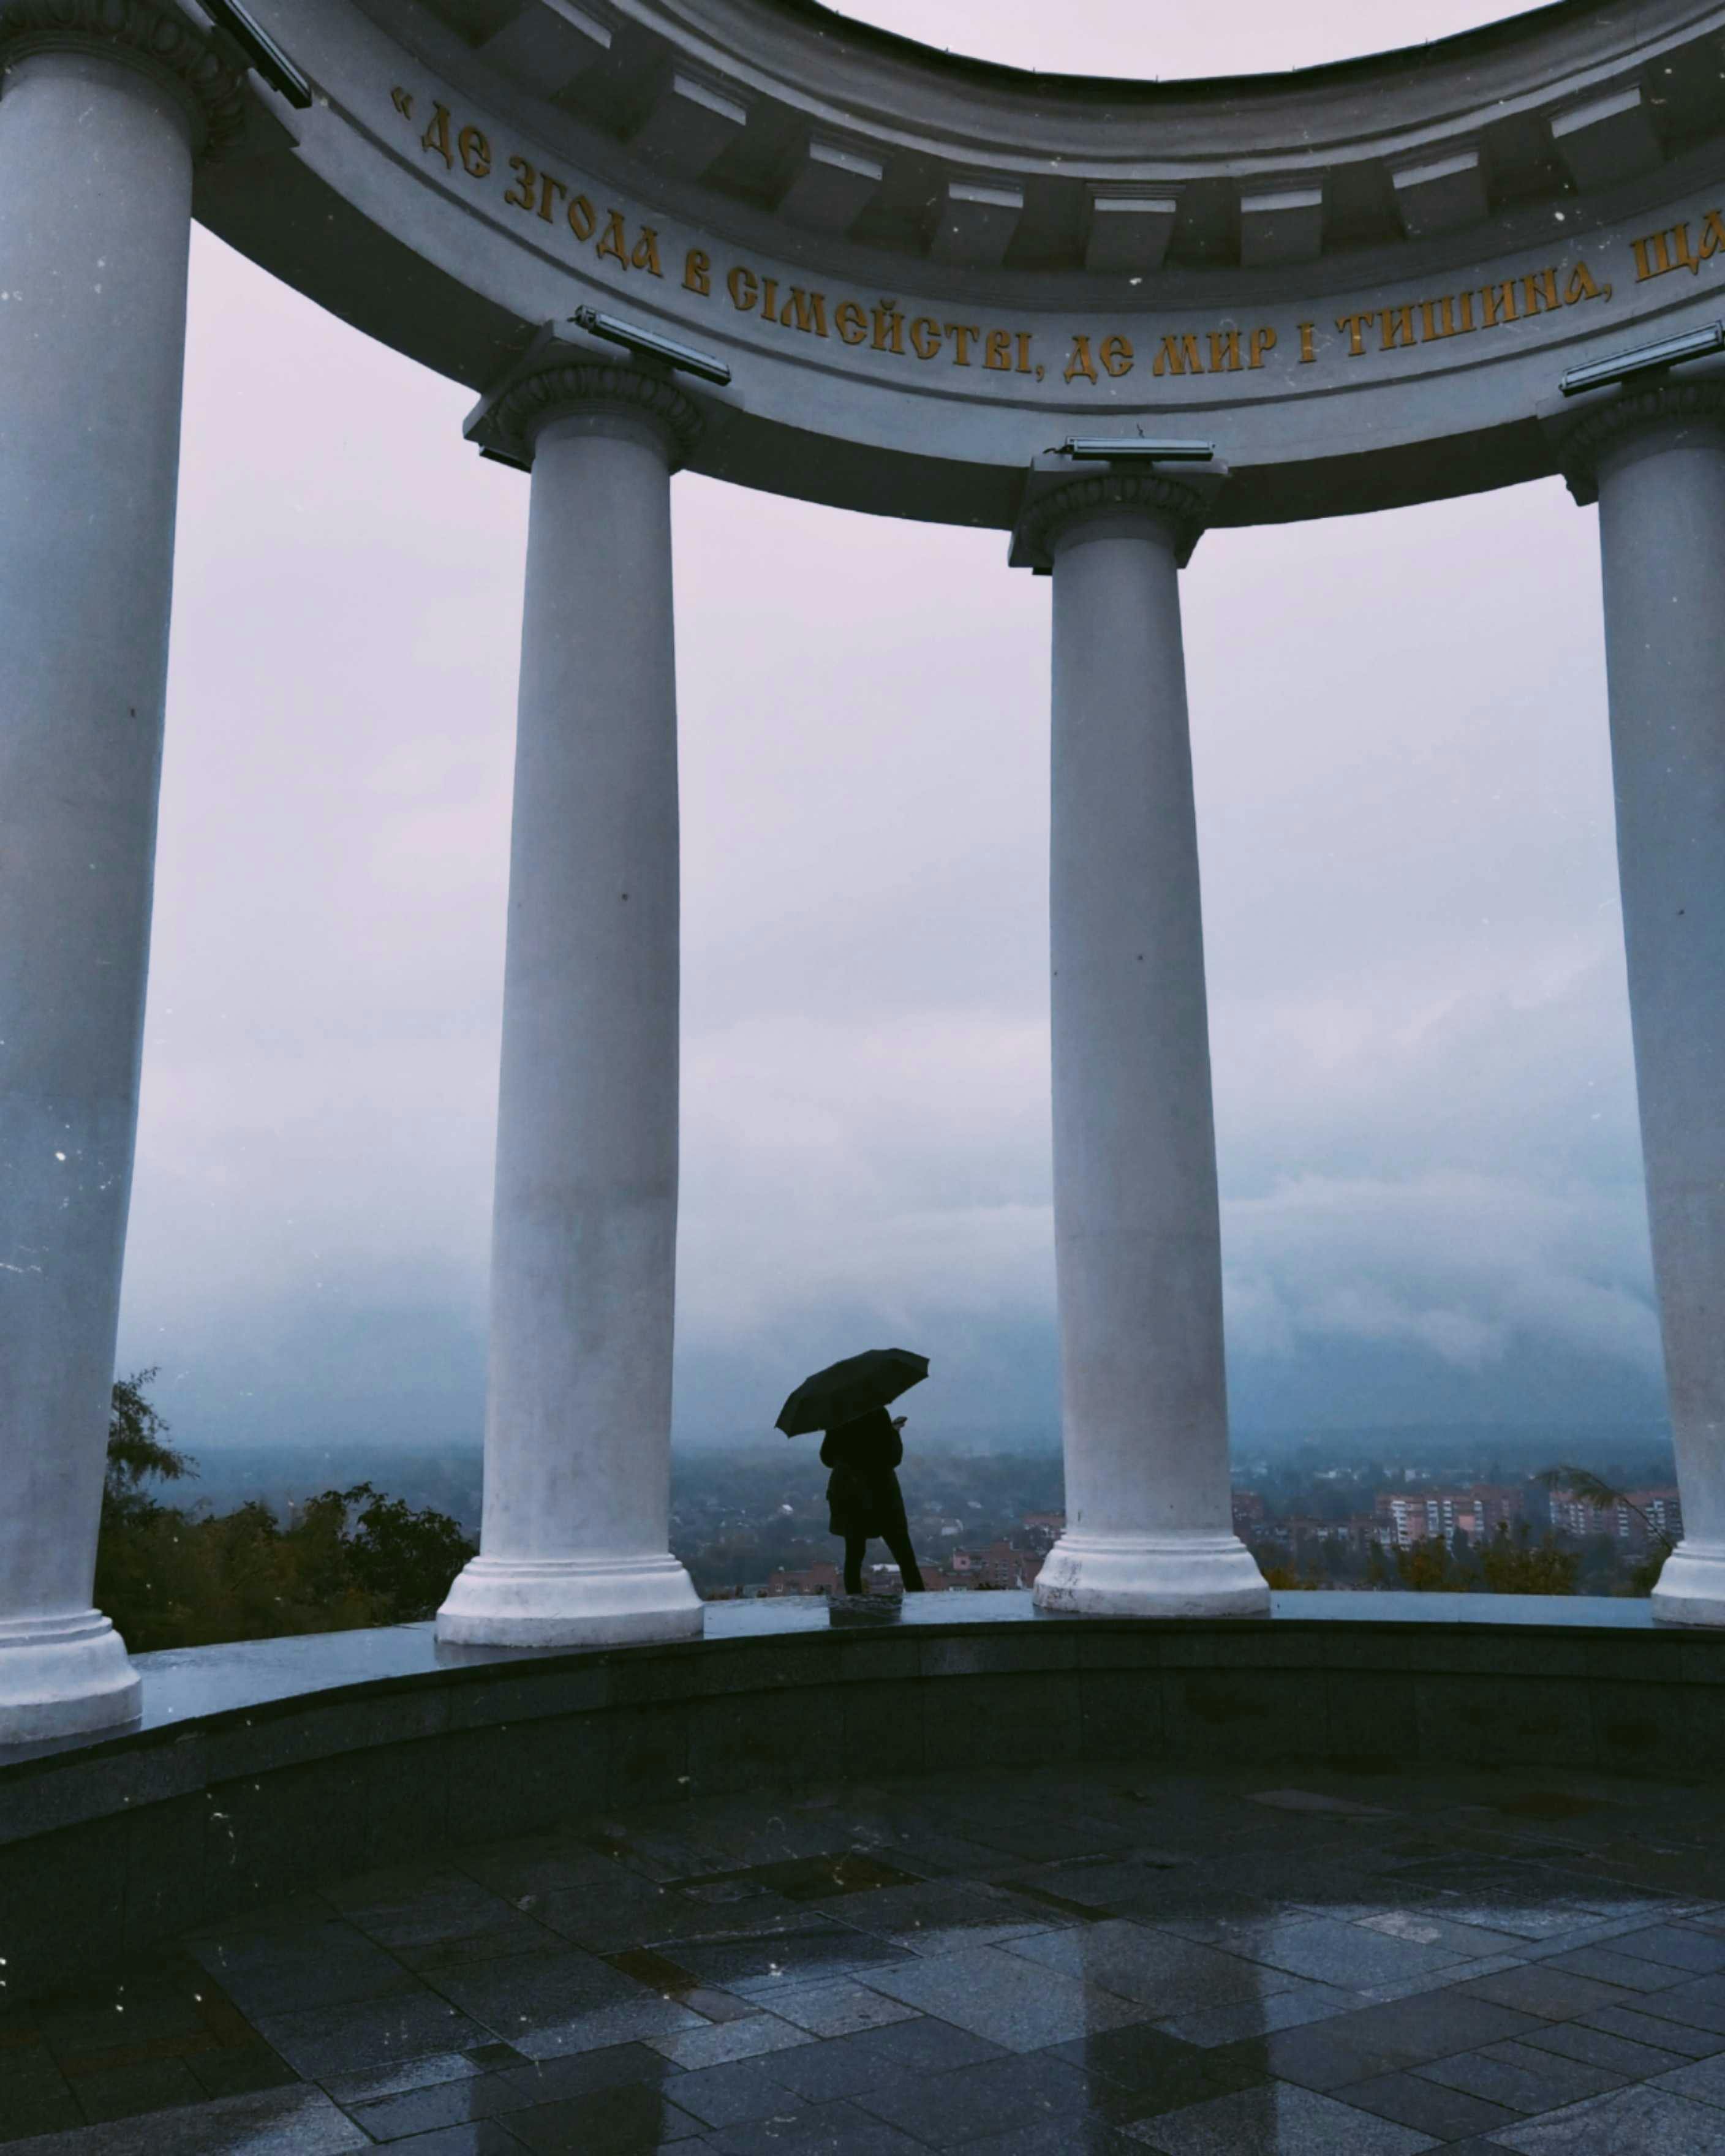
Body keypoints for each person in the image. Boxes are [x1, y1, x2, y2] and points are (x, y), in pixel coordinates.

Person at [821, 1406, 926, 1596]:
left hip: (849, 1493)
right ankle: (920, 1601)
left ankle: (853, 1604)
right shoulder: (877, 1412)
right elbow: (893, 1458)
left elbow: (827, 1458)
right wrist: (894, 1432)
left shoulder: (837, 1415)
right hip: (881, 1491)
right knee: (904, 1554)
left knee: (854, 1554)